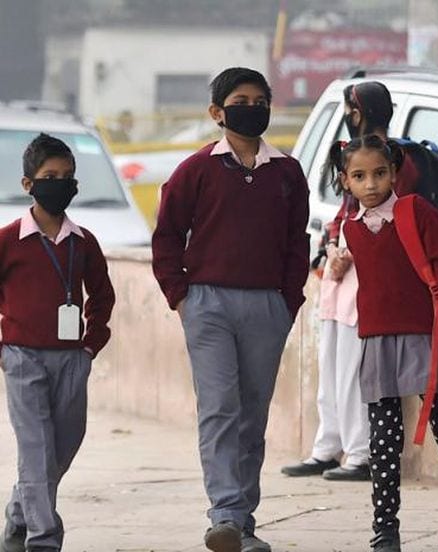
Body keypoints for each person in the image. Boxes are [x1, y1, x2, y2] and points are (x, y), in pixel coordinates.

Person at [152, 67, 310, 552]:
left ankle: (243, 523)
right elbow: (166, 236)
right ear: (217, 112)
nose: (254, 106)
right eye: (242, 99)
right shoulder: (195, 170)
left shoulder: (287, 171)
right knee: (220, 408)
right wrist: (181, 297)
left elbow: (296, 242)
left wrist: (288, 301)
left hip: (267, 306)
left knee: (252, 416)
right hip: (208, 305)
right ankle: (224, 514)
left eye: (261, 99)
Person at [282, 81, 438, 481]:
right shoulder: (356, 158)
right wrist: (333, 248)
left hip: (373, 280)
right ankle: (328, 444)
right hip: (341, 271)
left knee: (355, 369)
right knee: (331, 361)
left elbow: (392, 215)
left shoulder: (398, 160)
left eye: (353, 110)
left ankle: (362, 452)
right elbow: (346, 213)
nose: (370, 181)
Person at [334, 134, 438, 552]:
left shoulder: (414, 211)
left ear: (394, 173)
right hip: (374, 339)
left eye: (379, 173)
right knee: (383, 437)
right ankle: (385, 534)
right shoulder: (351, 229)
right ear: (345, 181)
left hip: (423, 336)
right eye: (359, 176)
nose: (370, 184)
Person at [0, 133, 115, 551]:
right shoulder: (8, 240)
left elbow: (102, 296)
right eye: (50, 176)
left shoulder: (84, 242)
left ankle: (18, 513)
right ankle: (43, 537)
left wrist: (90, 346)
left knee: (63, 445)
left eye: (68, 177)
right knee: (35, 446)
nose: (61, 183)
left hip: (71, 358)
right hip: (21, 357)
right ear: (28, 184)